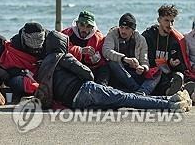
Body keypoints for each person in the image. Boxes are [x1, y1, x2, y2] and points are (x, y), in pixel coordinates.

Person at [35, 27, 192, 112]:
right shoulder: (63, 56)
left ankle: (167, 100)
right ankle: (171, 104)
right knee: (127, 98)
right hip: (85, 89)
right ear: (62, 44)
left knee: (122, 101)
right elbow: (87, 74)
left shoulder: (43, 65)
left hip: (74, 102)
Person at [142, 4, 194, 96]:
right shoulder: (148, 36)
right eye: (166, 20)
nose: (170, 24)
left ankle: (180, 90)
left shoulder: (176, 40)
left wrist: (173, 63)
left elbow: (182, 65)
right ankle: (172, 92)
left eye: (172, 21)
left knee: (179, 75)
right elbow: (144, 58)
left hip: (169, 73)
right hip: (153, 72)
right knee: (159, 75)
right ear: (159, 20)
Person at [103, 13, 159, 95]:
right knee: (112, 61)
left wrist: (142, 68)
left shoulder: (140, 39)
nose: (123, 31)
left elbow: (145, 60)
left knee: (158, 71)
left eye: (127, 28)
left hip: (134, 74)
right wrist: (124, 58)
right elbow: (106, 51)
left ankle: (142, 91)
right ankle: (138, 91)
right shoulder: (112, 34)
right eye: (121, 27)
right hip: (118, 73)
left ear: (133, 30)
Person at [0, 22, 46, 98]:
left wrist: (43, 64)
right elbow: (8, 68)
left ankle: (42, 90)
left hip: (42, 74)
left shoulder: (48, 41)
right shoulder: (14, 45)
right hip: (20, 76)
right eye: (33, 40)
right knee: (20, 82)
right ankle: (40, 91)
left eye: (39, 40)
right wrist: (22, 72)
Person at [62, 10, 109, 85]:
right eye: (82, 25)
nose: (85, 29)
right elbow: (60, 50)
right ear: (77, 24)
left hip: (91, 69)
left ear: (92, 27)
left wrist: (96, 59)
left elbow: (102, 61)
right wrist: (80, 50)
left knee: (105, 68)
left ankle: (101, 87)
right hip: (71, 67)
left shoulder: (99, 38)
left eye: (88, 26)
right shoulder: (66, 34)